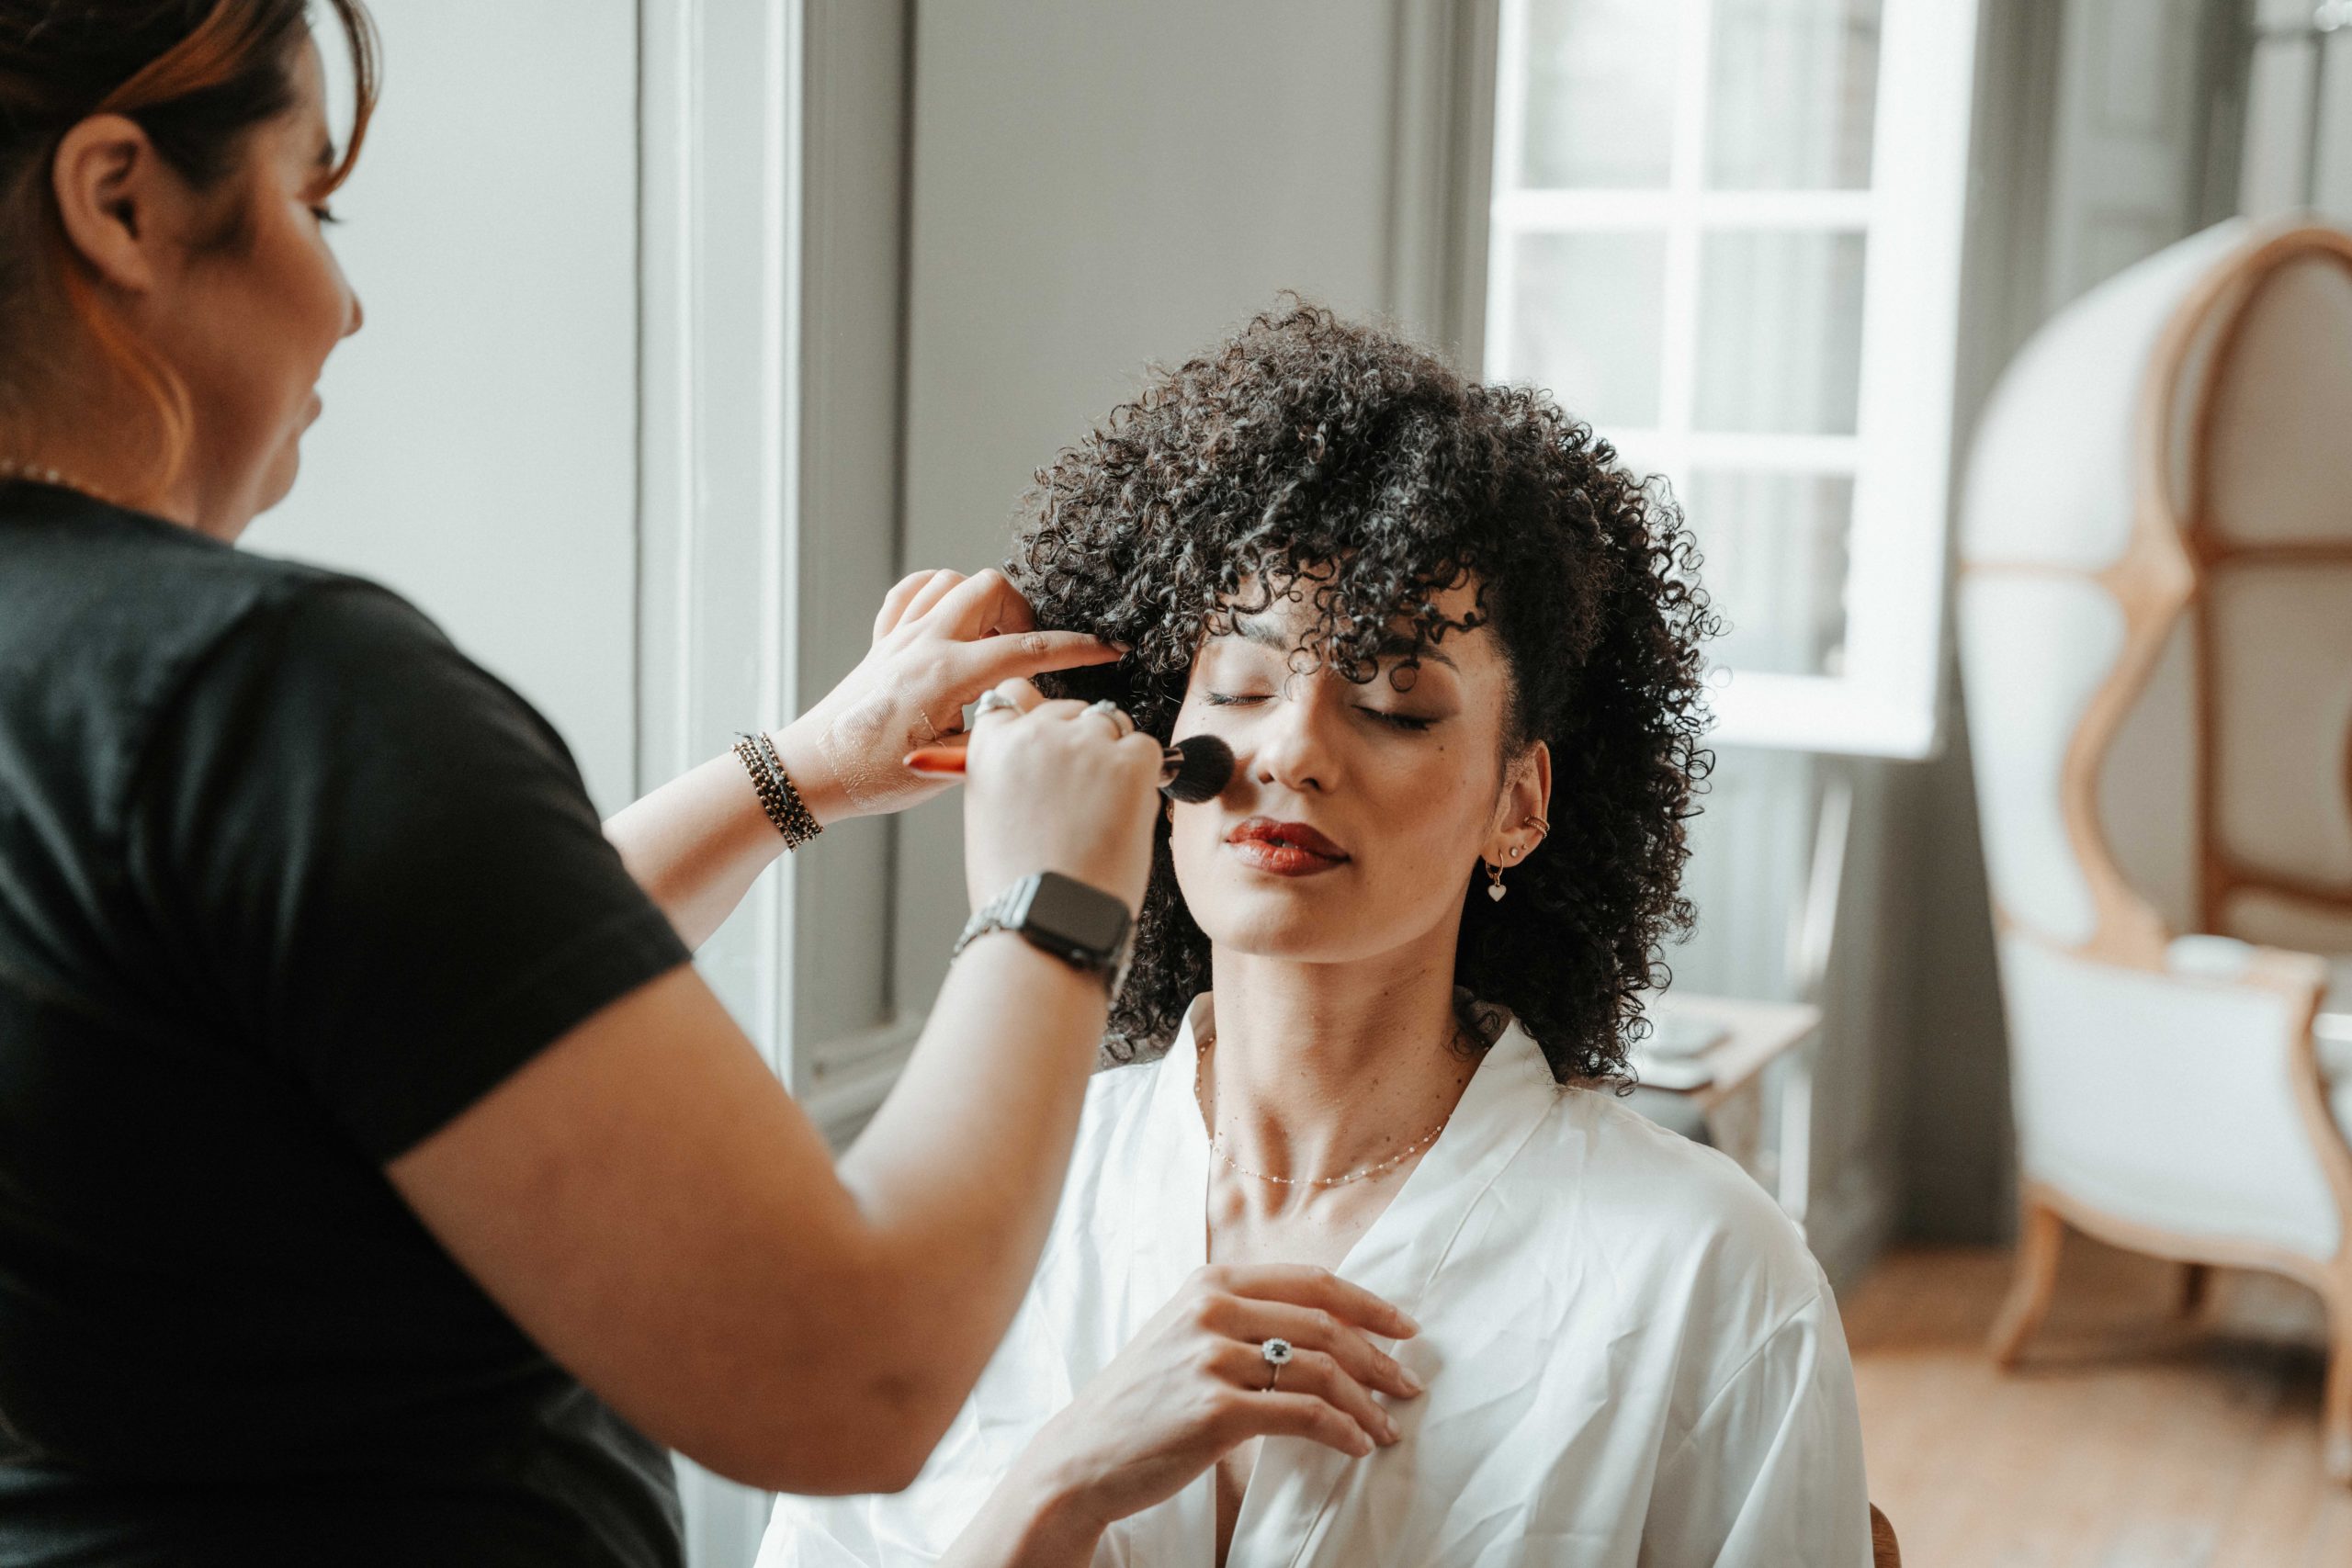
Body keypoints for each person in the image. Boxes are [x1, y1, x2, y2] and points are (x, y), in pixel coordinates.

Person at [0, 5, 1193, 1564]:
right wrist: (1053, 904)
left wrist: (799, 775)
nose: (347, 305)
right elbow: (854, 1376)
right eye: (313, 201)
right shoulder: (262, 692)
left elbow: (408, 1001)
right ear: (120, 202)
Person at [759, 303, 1876, 1567]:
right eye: (1240, 687)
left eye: (1396, 705)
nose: (1290, 748)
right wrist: (1055, 1491)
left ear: (1519, 804)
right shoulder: (976, 1209)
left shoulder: (1708, 1280)